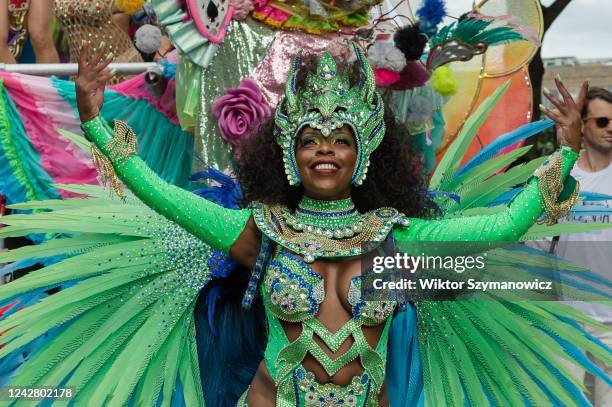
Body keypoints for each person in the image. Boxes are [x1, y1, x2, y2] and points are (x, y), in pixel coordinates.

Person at [0, 43, 607, 406]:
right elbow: (163, 197)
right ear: (289, 152)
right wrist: (96, 124)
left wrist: (564, 156)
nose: (325, 151)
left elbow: (504, 225)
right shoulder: (260, 232)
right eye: (310, 138)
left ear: (362, 153)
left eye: (340, 140)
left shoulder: (396, 239)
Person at [548, 87, 612, 407]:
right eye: (602, 121)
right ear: (581, 125)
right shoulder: (558, 173)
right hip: (566, 316)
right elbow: (535, 237)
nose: (611, 128)